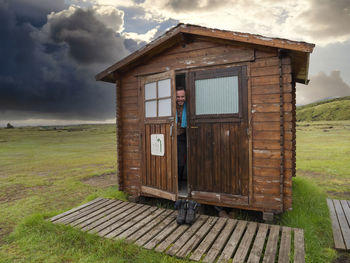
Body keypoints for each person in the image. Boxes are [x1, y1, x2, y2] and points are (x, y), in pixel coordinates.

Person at [176, 88, 187, 182]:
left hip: (183, 136)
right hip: (171, 136)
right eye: (178, 97)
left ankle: (178, 182)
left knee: (181, 162)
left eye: (182, 96)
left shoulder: (188, 107)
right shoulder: (171, 106)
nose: (180, 99)